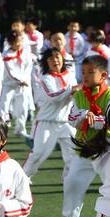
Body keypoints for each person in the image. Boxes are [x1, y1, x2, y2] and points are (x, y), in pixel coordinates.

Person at [60, 55, 110, 217]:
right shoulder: (78, 95)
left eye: (91, 72)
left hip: (107, 148)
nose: (85, 76)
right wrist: (84, 116)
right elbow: (71, 118)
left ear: (103, 75)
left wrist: (94, 120)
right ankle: (71, 216)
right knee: (72, 182)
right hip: (84, 147)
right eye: (83, 72)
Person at [23, 48, 77, 180]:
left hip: (66, 123)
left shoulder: (70, 75)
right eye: (51, 58)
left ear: (63, 58)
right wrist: (71, 90)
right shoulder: (46, 77)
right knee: (38, 154)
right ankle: (21, 180)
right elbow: (53, 96)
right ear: (46, 62)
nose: (55, 60)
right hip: (46, 122)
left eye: (57, 57)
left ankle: (68, 180)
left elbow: (77, 96)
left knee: (74, 153)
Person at [0, 30, 33, 138]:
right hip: (9, 85)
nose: (19, 44)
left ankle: (20, 129)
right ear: (10, 42)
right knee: (4, 106)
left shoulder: (26, 53)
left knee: (22, 107)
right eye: (16, 42)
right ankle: (2, 128)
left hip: (23, 86)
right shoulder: (6, 54)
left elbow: (29, 67)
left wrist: (25, 79)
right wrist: (20, 80)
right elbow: (10, 71)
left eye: (20, 41)